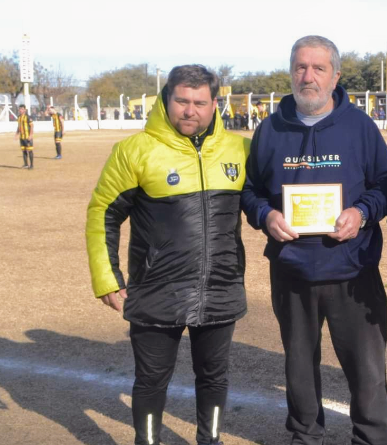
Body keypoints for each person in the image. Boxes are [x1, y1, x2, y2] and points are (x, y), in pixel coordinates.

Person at [241, 35, 387, 445]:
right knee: (299, 369)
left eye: (318, 68)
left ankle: (372, 438)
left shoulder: (360, 126)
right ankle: (305, 436)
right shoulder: (270, 129)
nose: (308, 76)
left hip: (353, 269)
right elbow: (250, 190)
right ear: (291, 72)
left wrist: (361, 213)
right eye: (300, 67)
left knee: (366, 370)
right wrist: (265, 215)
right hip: (292, 270)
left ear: (335, 76)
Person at [86, 64, 250, 445]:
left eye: (199, 103)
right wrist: (107, 277)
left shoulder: (240, 150)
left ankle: (210, 440)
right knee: (151, 379)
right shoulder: (134, 151)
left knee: (214, 376)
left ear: (214, 105)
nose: (190, 110)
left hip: (221, 287)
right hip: (156, 291)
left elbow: (267, 201)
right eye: (182, 101)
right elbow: (103, 213)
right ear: (166, 99)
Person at [15, 104, 34, 169]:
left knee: (29, 150)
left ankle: (31, 165)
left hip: (27, 137)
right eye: (20, 109)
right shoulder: (19, 117)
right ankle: (26, 164)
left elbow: (32, 126)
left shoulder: (28, 117)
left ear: (25, 110)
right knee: (24, 150)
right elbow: (19, 126)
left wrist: (30, 135)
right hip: (22, 137)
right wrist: (17, 134)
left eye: (22, 109)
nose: (20, 110)